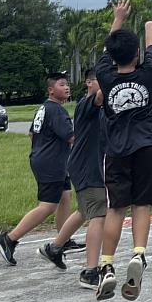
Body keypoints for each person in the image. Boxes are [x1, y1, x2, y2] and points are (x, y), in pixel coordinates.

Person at [94, 0, 152, 302]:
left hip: (116, 149)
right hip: (145, 144)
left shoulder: (105, 76)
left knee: (116, 208)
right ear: (137, 54)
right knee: (142, 205)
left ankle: (107, 264)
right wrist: (149, 27)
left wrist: (117, 18)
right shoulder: (148, 75)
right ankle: (138, 255)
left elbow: (110, 50)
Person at [0, 73, 78, 265]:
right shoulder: (57, 110)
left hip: (49, 159)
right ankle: (9, 239)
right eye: (62, 84)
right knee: (48, 206)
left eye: (67, 85)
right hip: (51, 163)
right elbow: (72, 137)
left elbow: (32, 134)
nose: (67, 88)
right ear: (51, 89)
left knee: (66, 197)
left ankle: (62, 240)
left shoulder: (44, 107)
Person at [37, 68, 107, 290]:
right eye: (101, 79)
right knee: (99, 211)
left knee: (85, 209)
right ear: (89, 83)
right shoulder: (88, 103)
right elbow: (100, 95)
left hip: (88, 163)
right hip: (86, 165)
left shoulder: (103, 106)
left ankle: (55, 248)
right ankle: (90, 271)